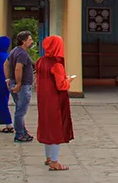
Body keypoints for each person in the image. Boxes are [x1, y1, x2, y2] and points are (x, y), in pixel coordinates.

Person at [36, 35, 75, 171]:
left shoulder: (41, 61)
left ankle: (48, 157)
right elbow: (61, 86)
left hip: (43, 100)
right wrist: (68, 80)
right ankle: (54, 161)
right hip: (55, 100)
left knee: (46, 126)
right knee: (55, 129)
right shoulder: (57, 64)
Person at [6, 30, 35, 142]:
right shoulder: (22, 53)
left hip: (15, 83)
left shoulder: (14, 51)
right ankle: (19, 133)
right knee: (20, 111)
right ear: (23, 41)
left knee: (19, 109)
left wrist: (8, 78)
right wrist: (19, 83)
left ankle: (23, 131)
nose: (32, 42)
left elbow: (6, 64)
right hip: (22, 86)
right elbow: (18, 67)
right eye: (30, 39)